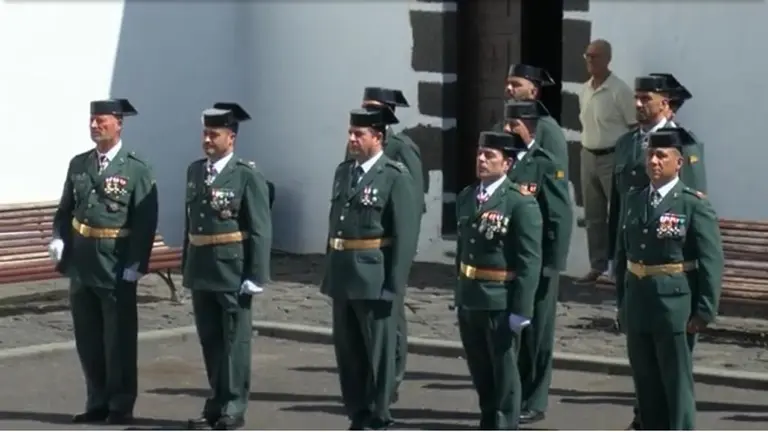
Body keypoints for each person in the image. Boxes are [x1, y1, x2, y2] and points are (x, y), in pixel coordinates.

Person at [607, 74, 709, 430]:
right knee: (644, 371)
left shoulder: (685, 145)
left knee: (671, 372)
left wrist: (699, 303)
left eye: (645, 98)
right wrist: (613, 259)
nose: (638, 105)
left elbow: (694, 221)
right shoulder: (626, 145)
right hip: (637, 272)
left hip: (672, 282)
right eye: (636, 98)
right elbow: (618, 210)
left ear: (665, 102)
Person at [48, 98, 158, 425]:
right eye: (92, 121)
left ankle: (120, 405)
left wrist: (137, 262)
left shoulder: (135, 167)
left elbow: (145, 219)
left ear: (118, 124)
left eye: (102, 121)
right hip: (81, 263)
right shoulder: (79, 164)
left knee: (118, 340)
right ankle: (96, 401)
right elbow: (65, 210)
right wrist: (58, 237)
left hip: (115, 262)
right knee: (88, 339)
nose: (95, 126)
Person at [321, 105, 419, 430]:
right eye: (350, 132)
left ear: (377, 137)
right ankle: (357, 411)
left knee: (378, 351)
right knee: (348, 351)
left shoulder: (394, 176)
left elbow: (404, 236)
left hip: (374, 275)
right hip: (342, 273)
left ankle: (379, 413)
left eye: (358, 134)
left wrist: (396, 283)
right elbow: (335, 224)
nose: (351, 139)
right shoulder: (344, 172)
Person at [182, 102, 272, 430]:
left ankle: (234, 405)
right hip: (202, 267)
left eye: (214, 134)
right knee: (210, 340)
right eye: (205, 133)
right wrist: (186, 264)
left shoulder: (246, 175)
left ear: (230, 138)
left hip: (232, 270)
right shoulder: (195, 171)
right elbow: (190, 222)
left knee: (235, 341)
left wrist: (256, 274)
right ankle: (216, 402)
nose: (207, 140)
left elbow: (261, 227)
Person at [455, 131, 543, 430]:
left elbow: (529, 260)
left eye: (489, 155)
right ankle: (488, 420)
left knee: (504, 371)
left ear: (506, 164)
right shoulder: (467, 197)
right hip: (471, 295)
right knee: (480, 370)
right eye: (480, 153)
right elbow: (462, 250)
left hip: (500, 297)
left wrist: (522, 309)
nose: (481, 159)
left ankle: (505, 424)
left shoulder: (520, 203)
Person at [350, 86, 425, 404]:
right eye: (364, 105)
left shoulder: (401, 148)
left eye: (374, 107)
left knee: (391, 314)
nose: (367, 110)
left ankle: (391, 376)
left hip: (389, 246)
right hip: (358, 251)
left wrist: (405, 250)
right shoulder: (357, 145)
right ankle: (371, 375)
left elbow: (414, 200)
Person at [501, 101, 573, 424]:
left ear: (529, 127)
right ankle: (513, 395)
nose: (507, 129)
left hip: (540, 260)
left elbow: (560, 215)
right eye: (506, 123)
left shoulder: (545, 164)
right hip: (511, 260)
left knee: (538, 333)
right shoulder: (505, 160)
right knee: (513, 333)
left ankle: (536, 398)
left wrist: (552, 263)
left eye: (514, 124)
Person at [576, 39, 636, 285]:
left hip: (613, 156)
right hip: (588, 155)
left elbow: (633, 126)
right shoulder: (584, 89)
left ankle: (623, 265)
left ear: (607, 59)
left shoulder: (619, 90)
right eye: (587, 55)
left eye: (595, 56)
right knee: (594, 215)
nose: (590, 60)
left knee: (620, 213)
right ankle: (597, 265)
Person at [493, 64, 569, 174]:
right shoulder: (499, 127)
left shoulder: (548, 128)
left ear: (533, 92)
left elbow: (558, 173)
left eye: (515, 85)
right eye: (508, 84)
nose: (508, 89)